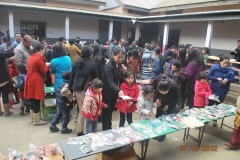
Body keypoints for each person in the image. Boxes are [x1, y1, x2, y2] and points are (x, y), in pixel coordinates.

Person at [68, 45, 98, 136]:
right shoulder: (93, 64)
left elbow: (72, 77)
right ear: (90, 55)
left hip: (77, 90)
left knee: (81, 111)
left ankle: (79, 131)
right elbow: (96, 79)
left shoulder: (76, 62)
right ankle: (88, 131)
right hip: (88, 91)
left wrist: (70, 90)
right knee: (90, 110)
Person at [24, 43, 50, 126]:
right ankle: (37, 121)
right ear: (40, 49)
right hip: (36, 78)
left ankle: (33, 119)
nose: (44, 51)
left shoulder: (32, 56)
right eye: (44, 50)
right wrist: (48, 66)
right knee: (36, 99)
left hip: (30, 77)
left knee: (32, 98)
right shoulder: (39, 58)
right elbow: (43, 70)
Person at [208, 56, 235, 127]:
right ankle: (207, 118)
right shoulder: (214, 68)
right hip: (214, 89)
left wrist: (228, 80)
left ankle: (215, 120)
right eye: (224, 63)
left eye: (227, 63)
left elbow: (233, 79)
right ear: (220, 62)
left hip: (223, 90)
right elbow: (208, 76)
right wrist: (216, 78)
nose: (225, 64)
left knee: (218, 106)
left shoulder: (229, 70)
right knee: (210, 105)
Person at [102, 48, 124, 131]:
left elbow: (119, 78)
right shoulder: (109, 66)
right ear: (113, 55)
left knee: (110, 112)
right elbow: (110, 82)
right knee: (106, 113)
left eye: (122, 57)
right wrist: (119, 90)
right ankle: (105, 130)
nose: (120, 59)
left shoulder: (118, 65)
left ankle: (109, 128)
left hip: (114, 93)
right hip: (107, 92)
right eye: (119, 57)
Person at [153, 74, 180, 141]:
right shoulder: (157, 80)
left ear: (169, 88)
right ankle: (157, 133)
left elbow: (177, 97)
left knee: (166, 119)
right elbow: (153, 90)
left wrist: (168, 104)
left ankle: (162, 135)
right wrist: (156, 99)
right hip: (160, 101)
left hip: (170, 102)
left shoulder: (174, 86)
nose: (163, 94)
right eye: (161, 92)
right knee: (158, 116)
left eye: (165, 92)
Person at [0, 50, 15, 116]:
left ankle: (0, 111)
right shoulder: (1, 55)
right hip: (3, 78)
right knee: (5, 95)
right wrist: (7, 50)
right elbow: (12, 53)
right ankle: (7, 111)